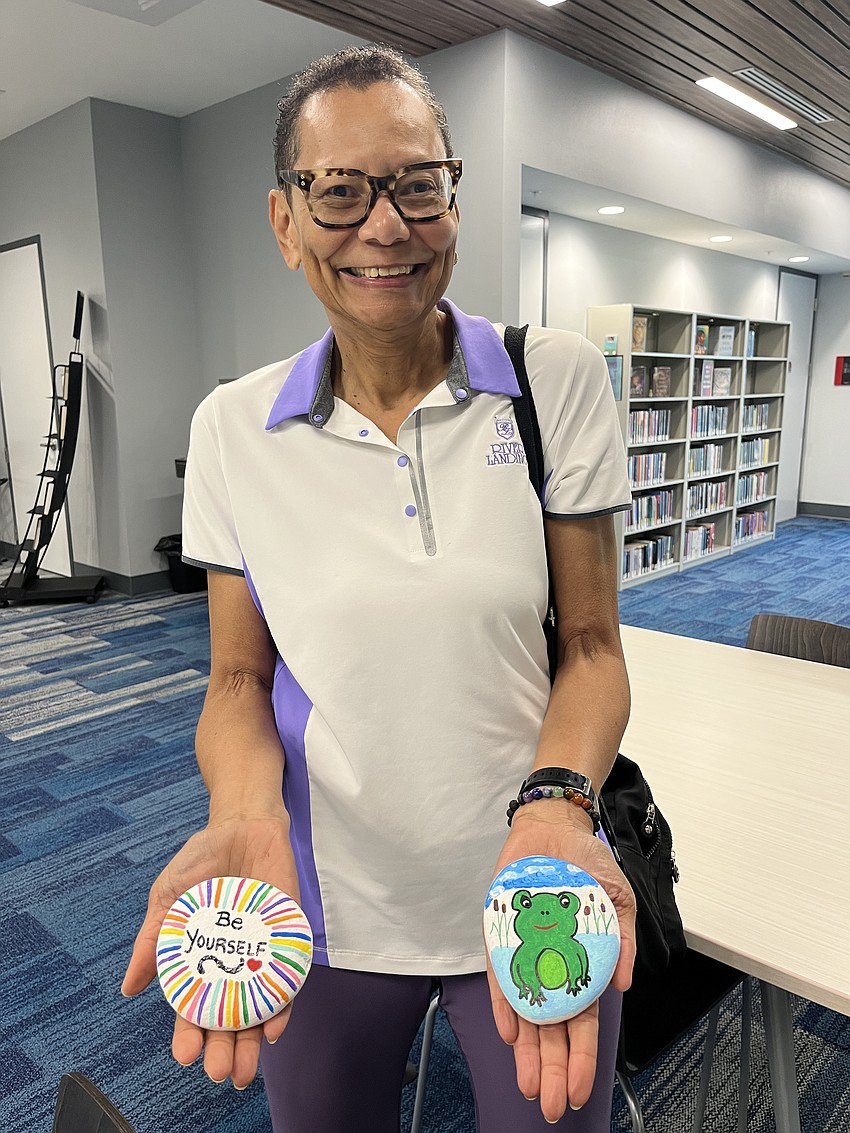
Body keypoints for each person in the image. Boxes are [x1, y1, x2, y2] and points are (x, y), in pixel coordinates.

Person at [122, 45, 636, 1132]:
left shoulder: (555, 381)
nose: (385, 225)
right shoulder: (230, 427)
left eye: (417, 183)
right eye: (340, 190)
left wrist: (556, 804)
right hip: (320, 906)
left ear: (453, 193)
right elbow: (235, 679)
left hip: (531, 885)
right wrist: (244, 811)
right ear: (284, 220)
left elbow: (590, 649)